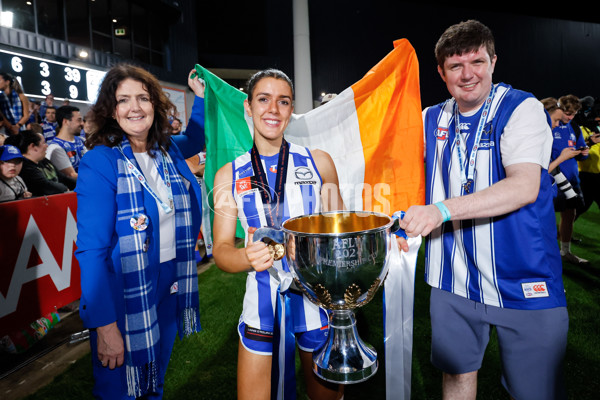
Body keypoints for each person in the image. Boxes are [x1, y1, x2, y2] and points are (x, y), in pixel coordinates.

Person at [398, 20, 568, 400]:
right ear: (441, 73)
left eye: (476, 61)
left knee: (535, 392)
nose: (468, 74)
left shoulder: (521, 108)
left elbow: (523, 187)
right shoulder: (429, 118)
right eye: (455, 66)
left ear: (493, 61)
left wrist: (439, 210)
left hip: (523, 280)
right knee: (457, 377)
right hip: (452, 280)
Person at [74, 64, 206, 399]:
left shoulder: (167, 150)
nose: (135, 107)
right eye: (124, 100)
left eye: (143, 98)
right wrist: (104, 325)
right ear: (110, 110)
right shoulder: (100, 161)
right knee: (117, 388)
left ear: (155, 105)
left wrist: (200, 98)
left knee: (154, 381)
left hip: (168, 282)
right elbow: (91, 251)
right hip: (124, 289)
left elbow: (195, 137)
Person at [212, 69, 344, 400]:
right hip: (262, 303)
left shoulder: (320, 163)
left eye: (283, 101)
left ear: (291, 110)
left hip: (317, 300)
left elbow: (340, 236)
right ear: (248, 107)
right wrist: (245, 256)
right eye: (264, 99)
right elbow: (222, 251)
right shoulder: (228, 175)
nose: (273, 109)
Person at [549, 94, 589, 264]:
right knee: (546, 216)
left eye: (573, 114)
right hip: (551, 179)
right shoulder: (549, 123)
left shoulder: (574, 126)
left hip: (572, 180)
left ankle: (565, 251)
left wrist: (584, 153)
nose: (569, 117)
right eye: (567, 113)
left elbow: (579, 153)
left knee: (570, 215)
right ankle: (546, 253)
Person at [4, 130, 76, 196]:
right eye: (44, 143)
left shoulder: (44, 161)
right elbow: (44, 186)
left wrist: (82, 184)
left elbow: (63, 178)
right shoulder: (24, 167)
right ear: (33, 146)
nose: (46, 145)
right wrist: (64, 189)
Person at [45, 105, 86, 179]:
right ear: (66, 121)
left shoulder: (80, 140)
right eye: (79, 120)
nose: (82, 123)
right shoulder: (55, 148)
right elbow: (72, 176)